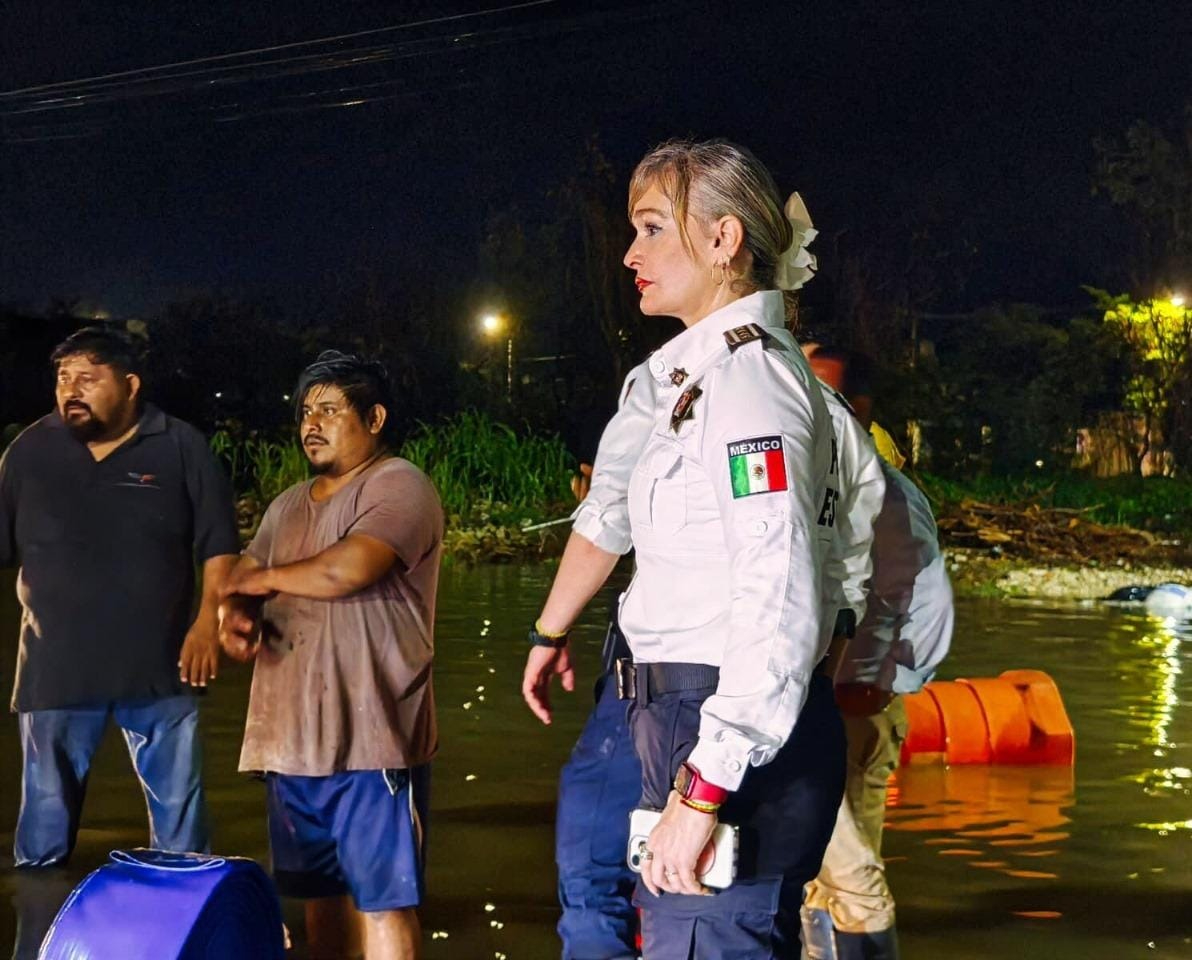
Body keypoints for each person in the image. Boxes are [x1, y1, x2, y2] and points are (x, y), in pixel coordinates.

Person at [555, 137, 846, 958]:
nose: (629, 253)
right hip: (688, 713)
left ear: (724, 242)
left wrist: (704, 787)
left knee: (709, 937)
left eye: (651, 228)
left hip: (717, 719)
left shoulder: (748, 384)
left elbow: (778, 590)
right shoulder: (708, 379)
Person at [218, 350, 442, 960]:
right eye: (304, 411)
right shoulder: (288, 503)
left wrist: (258, 584)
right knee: (320, 896)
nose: (310, 423)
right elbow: (248, 567)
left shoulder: (399, 484)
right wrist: (235, 611)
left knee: (385, 900)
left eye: (330, 409)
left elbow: (353, 566)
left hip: (373, 737)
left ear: (374, 418)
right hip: (290, 740)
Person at [0, 326, 238, 867]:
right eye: (63, 378)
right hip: (53, 670)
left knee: (182, 826)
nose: (71, 390)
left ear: (130, 384)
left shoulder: (179, 445)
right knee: (42, 839)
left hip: (159, 667)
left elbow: (219, 546)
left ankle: (186, 927)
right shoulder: (29, 451)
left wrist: (208, 625)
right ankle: (38, 934)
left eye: (88, 377)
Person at [799, 354, 954, 960]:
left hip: (852, 706)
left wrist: (879, 680)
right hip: (821, 703)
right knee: (816, 870)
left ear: (856, 408)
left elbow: (925, 593)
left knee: (851, 870)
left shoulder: (884, 490)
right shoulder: (824, 484)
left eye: (817, 383)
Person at [522, 358, 657, 959]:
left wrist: (550, 631)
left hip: (651, 700)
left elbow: (606, 517)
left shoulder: (663, 387)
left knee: (594, 882)